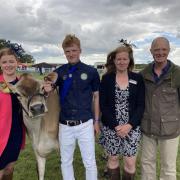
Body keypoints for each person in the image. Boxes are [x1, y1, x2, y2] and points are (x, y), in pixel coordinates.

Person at [44, 34, 100, 180]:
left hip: (85, 123)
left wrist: (96, 121)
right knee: (66, 161)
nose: (71, 54)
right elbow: (49, 88)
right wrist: (47, 88)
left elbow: (96, 97)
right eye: (67, 51)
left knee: (89, 162)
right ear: (64, 52)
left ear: (80, 50)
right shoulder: (59, 72)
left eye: (74, 50)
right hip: (65, 125)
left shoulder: (91, 72)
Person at [99, 42, 145, 180]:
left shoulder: (137, 78)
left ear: (129, 60)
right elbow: (103, 105)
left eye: (125, 59)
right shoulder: (106, 79)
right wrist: (116, 126)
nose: (121, 61)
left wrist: (129, 125)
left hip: (132, 127)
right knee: (113, 159)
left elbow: (141, 105)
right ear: (114, 60)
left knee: (130, 162)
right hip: (112, 127)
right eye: (118, 59)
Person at [140, 37, 180, 180]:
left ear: (169, 50)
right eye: (157, 49)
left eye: (164, 49)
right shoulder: (143, 74)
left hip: (170, 129)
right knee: (146, 164)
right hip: (147, 128)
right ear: (151, 51)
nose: (160, 52)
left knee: (168, 168)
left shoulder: (177, 73)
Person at [0, 48, 25, 180]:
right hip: (1, 132)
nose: (8, 65)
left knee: (9, 168)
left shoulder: (22, 83)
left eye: (11, 61)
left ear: (17, 62)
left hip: (16, 131)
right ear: (0, 64)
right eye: (4, 62)